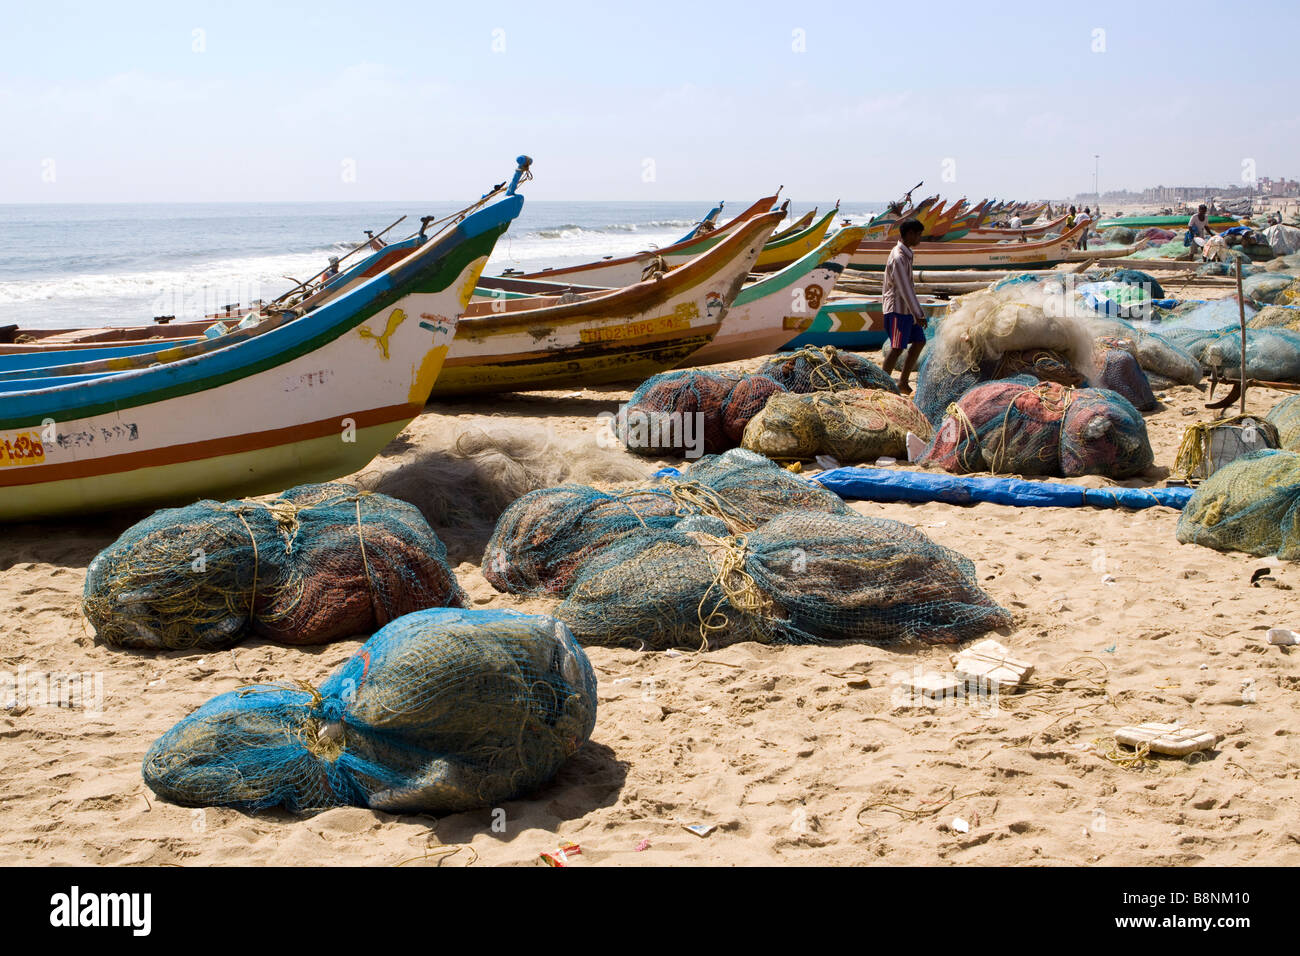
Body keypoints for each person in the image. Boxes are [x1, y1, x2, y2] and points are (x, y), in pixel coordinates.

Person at [881, 218, 928, 394]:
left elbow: (909, 288)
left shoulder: (906, 254)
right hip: (897, 309)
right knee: (897, 347)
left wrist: (916, 312)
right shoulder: (898, 258)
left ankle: (903, 382)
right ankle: (882, 384)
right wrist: (919, 313)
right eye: (918, 234)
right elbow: (904, 289)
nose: (919, 238)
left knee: (919, 341)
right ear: (909, 234)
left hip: (907, 309)